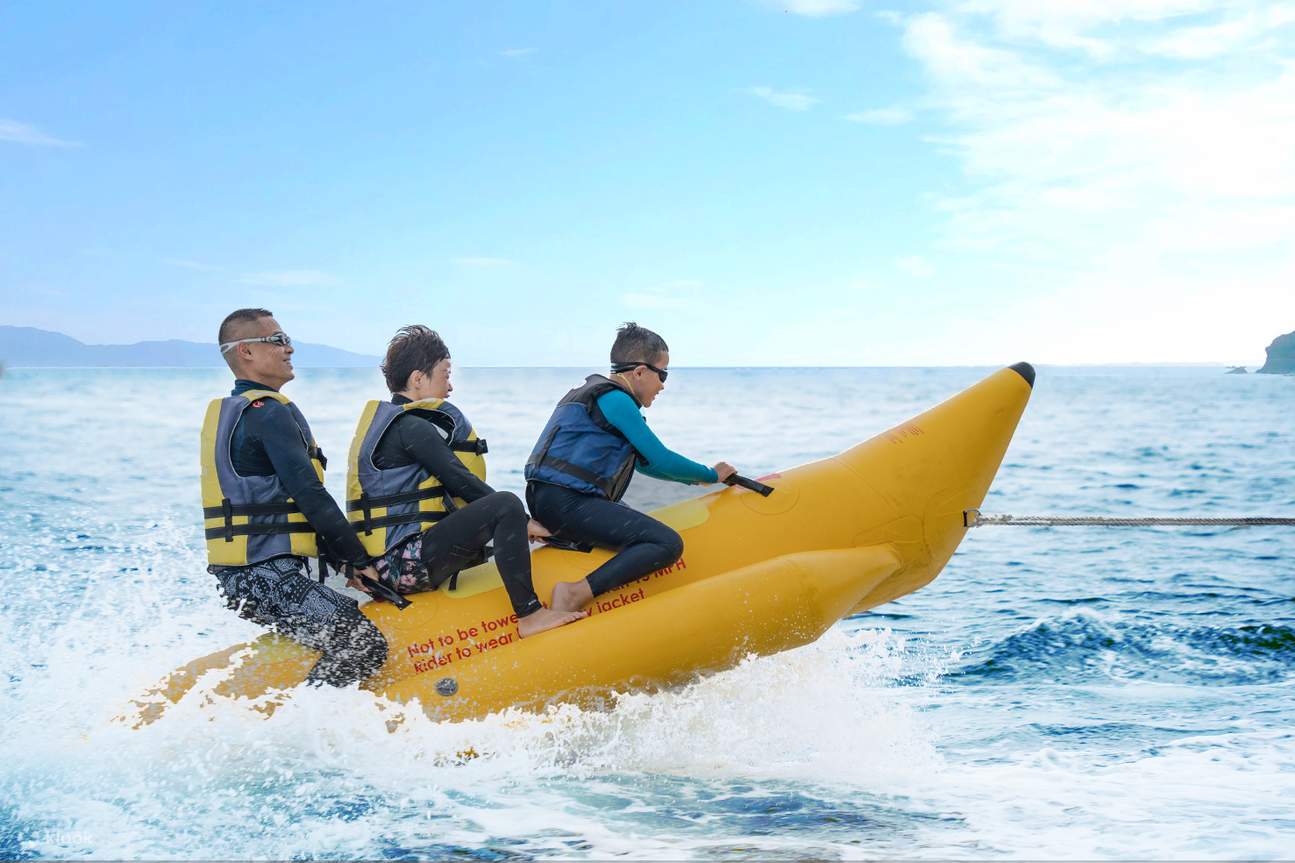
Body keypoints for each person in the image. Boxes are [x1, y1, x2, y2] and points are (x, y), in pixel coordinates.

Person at [346, 326, 586, 638]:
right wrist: (524, 521)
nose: (450, 385)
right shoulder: (411, 428)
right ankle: (530, 614)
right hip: (402, 566)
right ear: (418, 379)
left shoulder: (391, 425)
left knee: (495, 518)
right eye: (444, 374)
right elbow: (461, 481)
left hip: (387, 567)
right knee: (505, 504)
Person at [202, 308, 388, 687]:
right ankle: (305, 730)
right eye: (277, 341)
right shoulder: (266, 414)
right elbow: (309, 494)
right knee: (362, 643)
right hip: (266, 578)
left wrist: (344, 564)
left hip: (253, 576)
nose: (288, 349)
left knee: (346, 623)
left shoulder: (249, 412)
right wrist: (358, 559)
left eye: (287, 340)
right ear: (245, 352)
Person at [525, 322, 737, 613]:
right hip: (567, 504)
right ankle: (574, 593)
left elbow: (646, 464)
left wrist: (695, 482)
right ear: (639, 371)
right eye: (662, 374)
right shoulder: (616, 400)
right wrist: (711, 474)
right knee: (666, 543)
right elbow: (660, 457)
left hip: (548, 500)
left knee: (632, 520)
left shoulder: (595, 394)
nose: (663, 385)